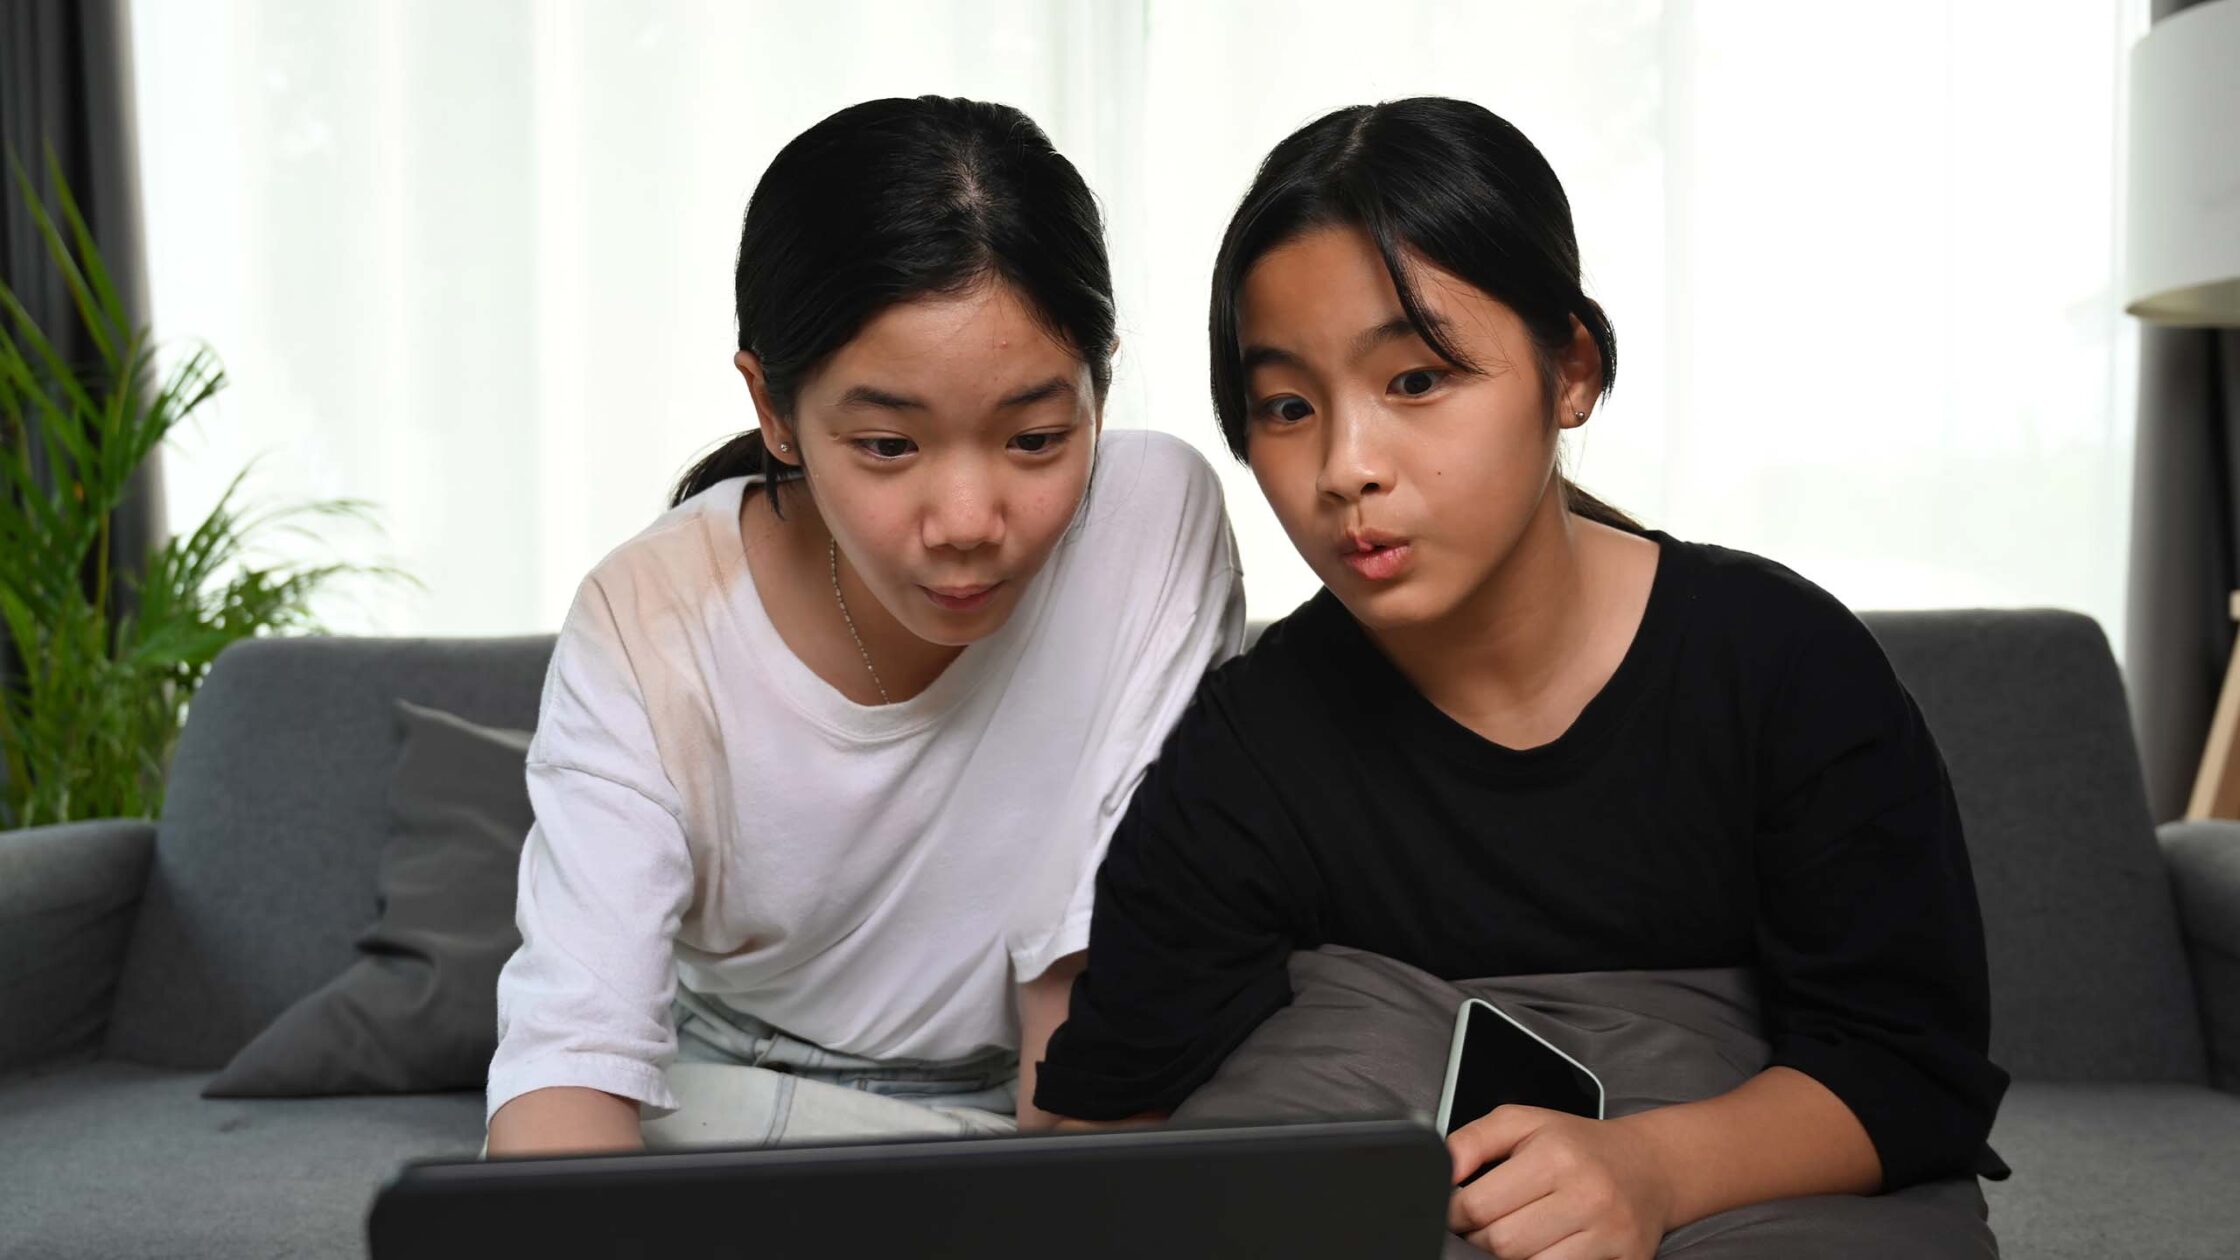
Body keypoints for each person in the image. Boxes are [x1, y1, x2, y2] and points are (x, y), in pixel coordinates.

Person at [1031, 97, 2008, 1258]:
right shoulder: (1252, 749)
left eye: (1414, 381)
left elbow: (1907, 1068)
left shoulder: (1780, 665)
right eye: (1287, 407)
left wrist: (1647, 1167)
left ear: (1570, 372)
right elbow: (1109, 1111)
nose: (1345, 467)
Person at [483, 95, 1243, 1158]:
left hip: (1033, 1096)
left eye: (1034, 438)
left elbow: (1094, 987)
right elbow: (573, 1056)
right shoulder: (650, 613)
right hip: (732, 1088)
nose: (968, 523)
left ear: (1098, 391)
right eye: (888, 445)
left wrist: (1061, 1197)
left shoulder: (1148, 518)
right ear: (774, 409)